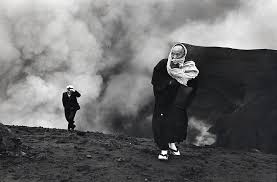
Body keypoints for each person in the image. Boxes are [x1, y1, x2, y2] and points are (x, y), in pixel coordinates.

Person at [151, 43, 199, 160]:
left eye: (178, 54)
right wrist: (168, 84)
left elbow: (193, 83)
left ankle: (172, 145)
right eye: (173, 53)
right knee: (162, 123)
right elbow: (155, 79)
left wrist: (184, 83)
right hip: (163, 102)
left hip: (177, 102)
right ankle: (163, 149)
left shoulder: (186, 68)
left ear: (183, 55)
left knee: (177, 123)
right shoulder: (163, 64)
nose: (175, 56)